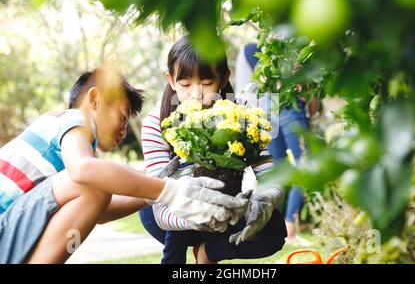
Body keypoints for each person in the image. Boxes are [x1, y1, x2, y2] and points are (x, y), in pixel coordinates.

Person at [0, 66, 248, 264]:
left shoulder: (72, 153)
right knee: (93, 186)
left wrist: (162, 190)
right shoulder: (74, 120)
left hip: (9, 232)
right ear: (95, 99)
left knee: (95, 190)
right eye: (121, 117)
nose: (123, 131)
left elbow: (102, 210)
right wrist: (168, 190)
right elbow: (84, 172)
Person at [139, 36, 287, 264]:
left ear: (224, 78)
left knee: (274, 231)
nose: (196, 94)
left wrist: (266, 199)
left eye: (207, 83)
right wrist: (198, 216)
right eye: (185, 85)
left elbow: (270, 176)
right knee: (177, 187)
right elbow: (158, 205)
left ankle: (207, 253)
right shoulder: (155, 123)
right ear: (170, 80)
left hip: (227, 209)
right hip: (171, 216)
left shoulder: (246, 114)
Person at [235, 43, 311, 244]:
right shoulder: (271, 50)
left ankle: (275, 227)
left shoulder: (257, 52)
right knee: (304, 166)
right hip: (288, 110)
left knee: (277, 171)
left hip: (269, 116)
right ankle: (289, 228)